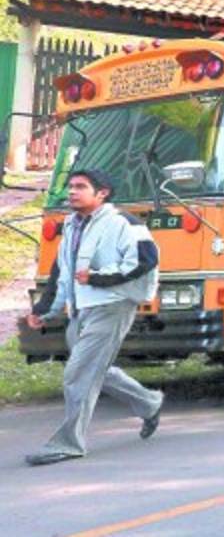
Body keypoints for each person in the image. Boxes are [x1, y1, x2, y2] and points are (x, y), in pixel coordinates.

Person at [24, 170, 163, 467]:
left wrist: (98, 278)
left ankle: (68, 443)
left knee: (78, 373)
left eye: (80, 187)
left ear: (102, 193)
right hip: (81, 310)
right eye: (70, 186)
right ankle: (149, 402)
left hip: (112, 306)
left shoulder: (124, 223)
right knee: (97, 369)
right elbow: (62, 273)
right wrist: (44, 310)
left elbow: (146, 259)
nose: (72, 192)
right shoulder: (71, 226)